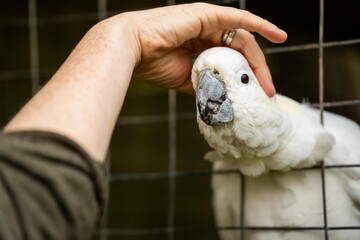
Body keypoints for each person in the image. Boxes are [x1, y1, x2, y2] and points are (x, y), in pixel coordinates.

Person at [0, 3, 287, 240]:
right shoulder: (227, 178)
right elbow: (33, 199)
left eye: (243, 79)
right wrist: (126, 37)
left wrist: (125, 36)